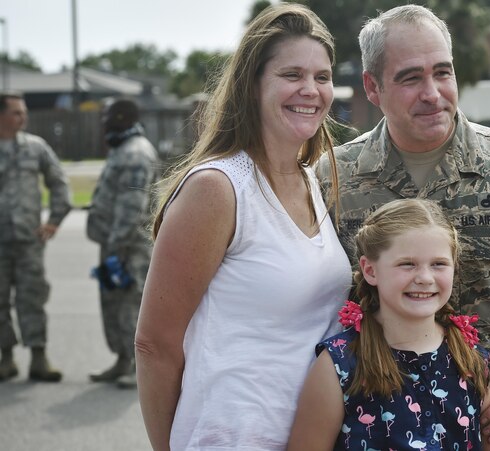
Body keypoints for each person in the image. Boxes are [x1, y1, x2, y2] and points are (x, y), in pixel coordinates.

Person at [315, 5, 490, 450]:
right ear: (373, 87)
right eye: (410, 78)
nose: (433, 93)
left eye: (442, 73)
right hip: (378, 428)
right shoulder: (332, 179)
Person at [134, 4, 351, 450]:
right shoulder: (218, 188)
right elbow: (154, 344)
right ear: (252, 85)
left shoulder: (311, 179)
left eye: (322, 77)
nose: (310, 90)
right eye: (292, 75)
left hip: (309, 437)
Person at [289, 198, 490, 451]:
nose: (425, 278)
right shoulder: (339, 365)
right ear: (370, 270)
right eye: (407, 264)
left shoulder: (474, 365)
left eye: (438, 264)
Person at [86, 98, 160, 389]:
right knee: (113, 303)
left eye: (106, 116)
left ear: (120, 118)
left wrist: (115, 248)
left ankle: (135, 368)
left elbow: (131, 209)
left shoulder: (135, 153)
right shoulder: (122, 148)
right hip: (114, 243)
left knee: (130, 303)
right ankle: (120, 360)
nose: (103, 121)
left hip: (129, 247)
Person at [0, 92, 72, 382]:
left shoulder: (35, 147)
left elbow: (59, 181)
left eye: (23, 112)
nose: (23, 117)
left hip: (29, 240)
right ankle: (6, 357)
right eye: (16, 112)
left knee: (33, 298)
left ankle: (39, 358)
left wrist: (54, 219)